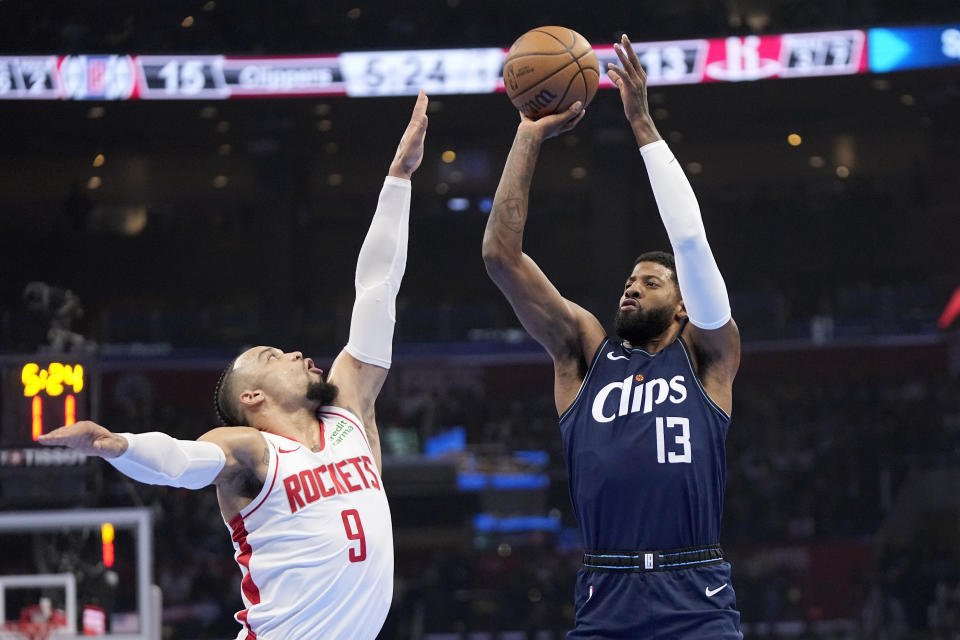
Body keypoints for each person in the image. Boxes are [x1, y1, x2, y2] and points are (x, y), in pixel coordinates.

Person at [38, 91, 430, 640]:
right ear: (252, 398)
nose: (295, 353)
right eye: (275, 356)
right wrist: (116, 445)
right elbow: (180, 461)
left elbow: (376, 289)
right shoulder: (250, 451)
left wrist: (398, 179)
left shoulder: (349, 410)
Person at [482, 35, 742, 638]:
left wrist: (643, 125)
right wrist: (528, 133)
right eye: (629, 279)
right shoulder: (584, 354)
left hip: (696, 594)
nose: (630, 288)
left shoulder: (708, 359)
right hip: (606, 596)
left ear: (682, 308)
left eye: (649, 282)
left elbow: (692, 246)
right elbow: (500, 256)